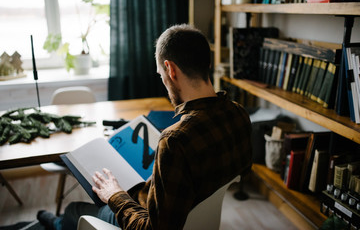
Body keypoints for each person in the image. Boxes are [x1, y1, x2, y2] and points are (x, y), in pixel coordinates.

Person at [37, 24, 252, 230]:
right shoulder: (239, 113)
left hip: (157, 217)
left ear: (170, 69)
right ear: (207, 62)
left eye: (161, 75)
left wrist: (114, 194)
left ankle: (57, 224)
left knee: (74, 210)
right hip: (197, 218)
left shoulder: (175, 141)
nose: (164, 82)